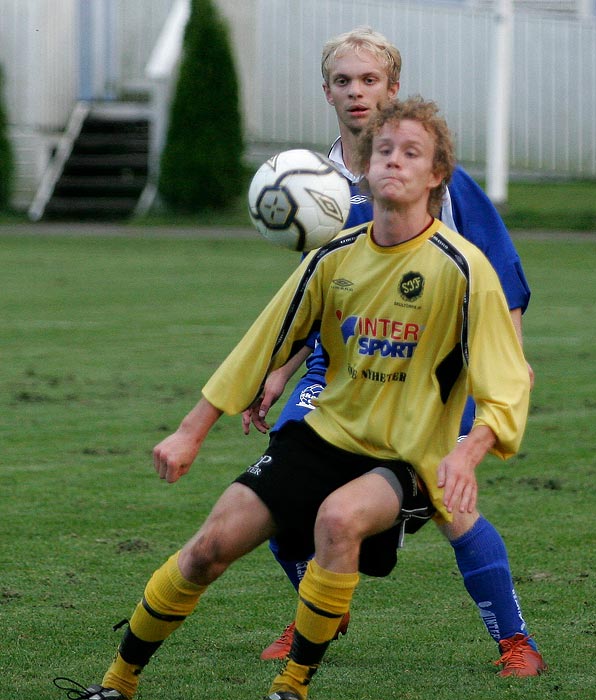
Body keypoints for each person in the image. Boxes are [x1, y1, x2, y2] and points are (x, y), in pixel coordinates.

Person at [54, 94, 535, 700]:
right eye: (384, 149)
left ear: (437, 175)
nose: (393, 161)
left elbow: (507, 381)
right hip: (324, 435)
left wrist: (466, 455)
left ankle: (292, 687)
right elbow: (262, 343)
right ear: (364, 168)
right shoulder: (334, 257)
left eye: (411, 153)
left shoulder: (463, 270)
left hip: (406, 457)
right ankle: (115, 685)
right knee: (208, 548)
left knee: (338, 520)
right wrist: (191, 429)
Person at [247, 27, 546, 678]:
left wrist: (511, 358)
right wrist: (276, 371)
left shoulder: (434, 172)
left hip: (433, 374)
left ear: (393, 87)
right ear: (326, 91)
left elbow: (497, 266)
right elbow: (318, 293)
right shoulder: (312, 183)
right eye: (344, 81)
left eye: (370, 80)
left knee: (448, 502)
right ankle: (321, 606)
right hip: (338, 373)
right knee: (274, 490)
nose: (357, 92)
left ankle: (517, 642)